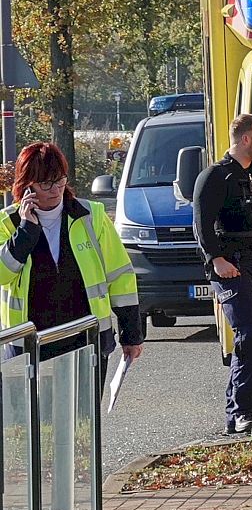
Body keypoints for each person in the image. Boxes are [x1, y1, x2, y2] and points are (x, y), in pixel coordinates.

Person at [0, 142, 145, 366]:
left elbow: (121, 277)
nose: (56, 190)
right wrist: (26, 231)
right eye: (46, 183)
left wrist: (131, 334)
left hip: (87, 339)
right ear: (27, 185)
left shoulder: (92, 216)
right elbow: (2, 275)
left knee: (86, 403)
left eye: (60, 180)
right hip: (29, 344)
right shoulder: (6, 223)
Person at [191, 115, 252, 434]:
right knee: (250, 332)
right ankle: (241, 412)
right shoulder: (215, 176)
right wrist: (215, 259)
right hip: (230, 266)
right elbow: (202, 224)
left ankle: (239, 412)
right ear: (245, 139)